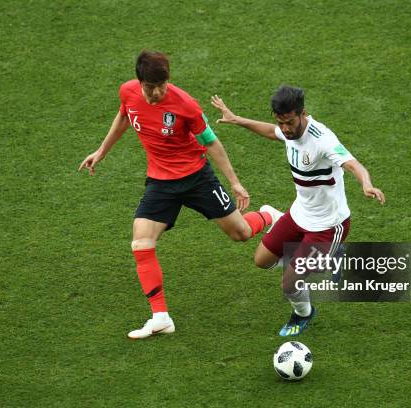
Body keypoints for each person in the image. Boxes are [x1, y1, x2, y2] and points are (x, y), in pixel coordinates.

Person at [79, 50, 276, 339]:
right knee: (141, 241)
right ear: (139, 81)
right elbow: (123, 116)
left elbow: (211, 142)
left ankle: (270, 214)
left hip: (197, 179)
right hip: (160, 183)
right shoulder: (128, 93)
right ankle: (161, 317)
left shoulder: (185, 104)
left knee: (241, 234)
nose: (157, 93)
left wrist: (234, 182)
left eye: (162, 86)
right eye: (150, 87)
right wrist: (101, 151)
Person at [211, 86, 385, 337]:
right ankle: (310, 247)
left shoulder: (322, 140)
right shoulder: (287, 130)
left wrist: (366, 183)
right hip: (299, 214)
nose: (285, 129)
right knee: (261, 260)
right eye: (280, 122)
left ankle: (303, 313)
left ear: (303, 114)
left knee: (290, 283)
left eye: (290, 122)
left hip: (328, 225)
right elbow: (271, 132)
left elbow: (353, 164)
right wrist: (237, 119)